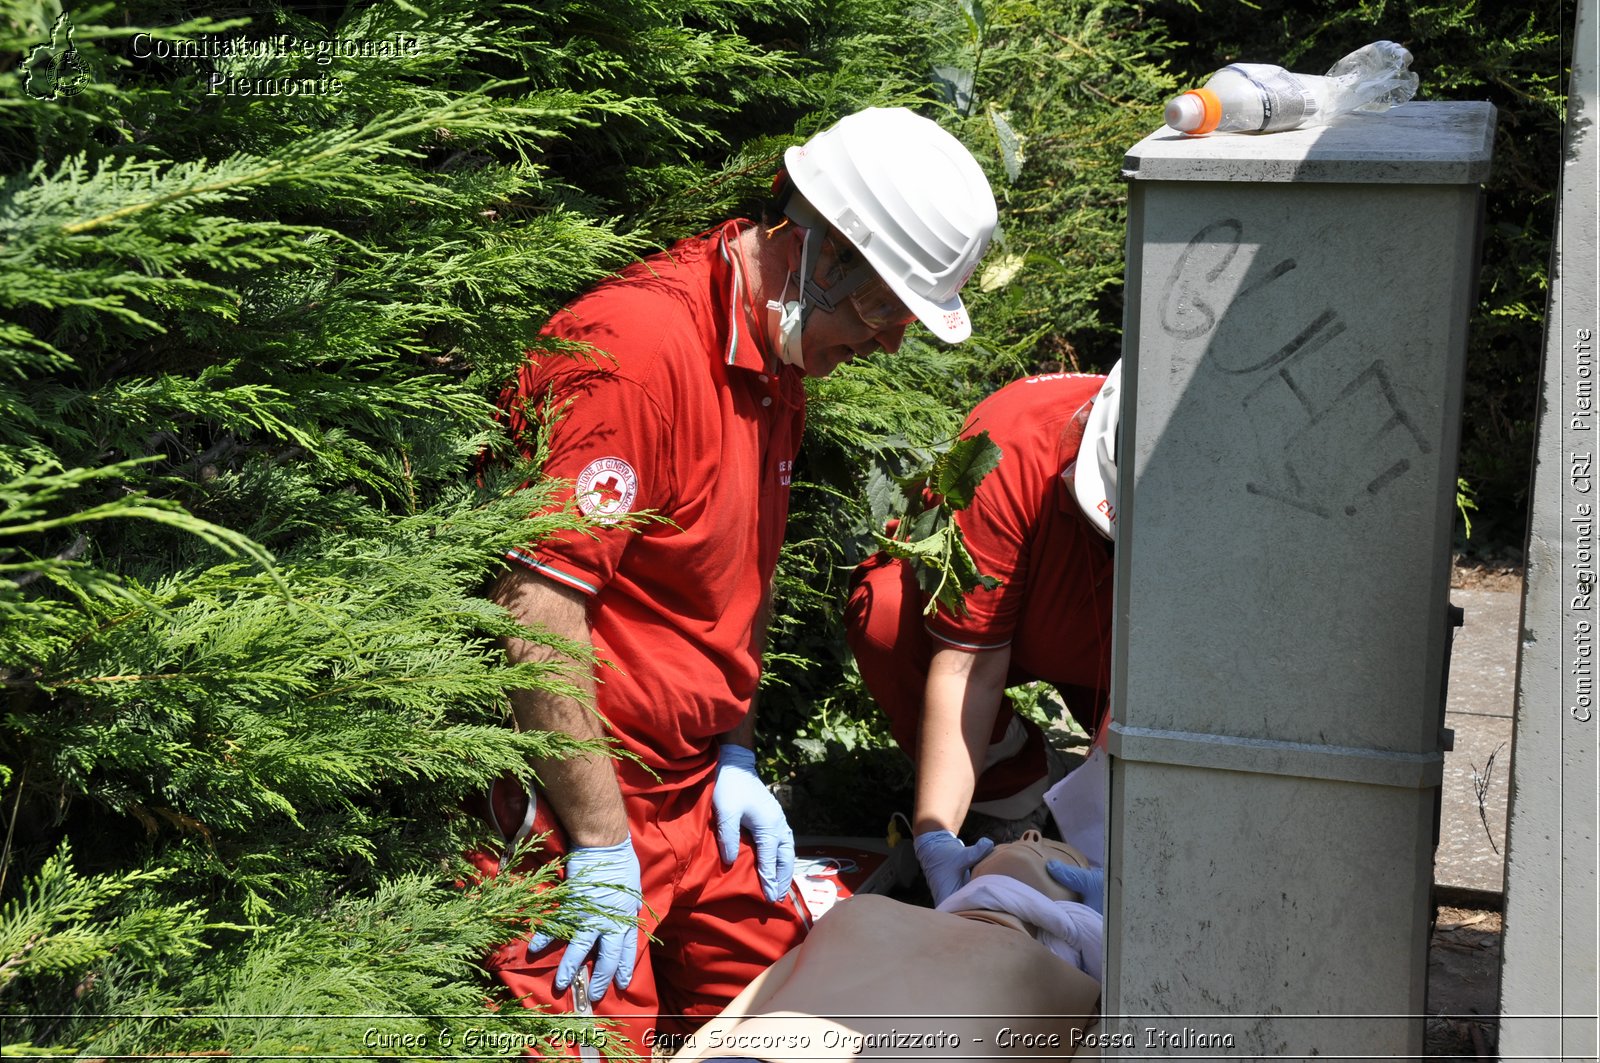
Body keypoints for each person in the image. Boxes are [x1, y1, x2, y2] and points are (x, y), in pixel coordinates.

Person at [468, 106, 1000, 1058]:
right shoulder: (634, 355)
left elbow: (731, 591)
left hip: (695, 789)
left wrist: (740, 753)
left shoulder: (775, 359)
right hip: (574, 803)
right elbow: (535, 614)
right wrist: (595, 846)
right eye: (884, 310)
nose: (885, 347)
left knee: (825, 1011)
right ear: (820, 249)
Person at [844, 363, 1122, 906]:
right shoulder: (1011, 446)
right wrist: (934, 836)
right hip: (1032, 617)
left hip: (1115, 658)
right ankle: (1018, 793)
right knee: (888, 613)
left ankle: (1089, 804)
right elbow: (968, 667)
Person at [666, 832, 1106, 1063]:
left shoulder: (1078, 989)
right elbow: (739, 1013)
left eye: (1059, 852)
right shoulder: (865, 909)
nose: (1030, 836)